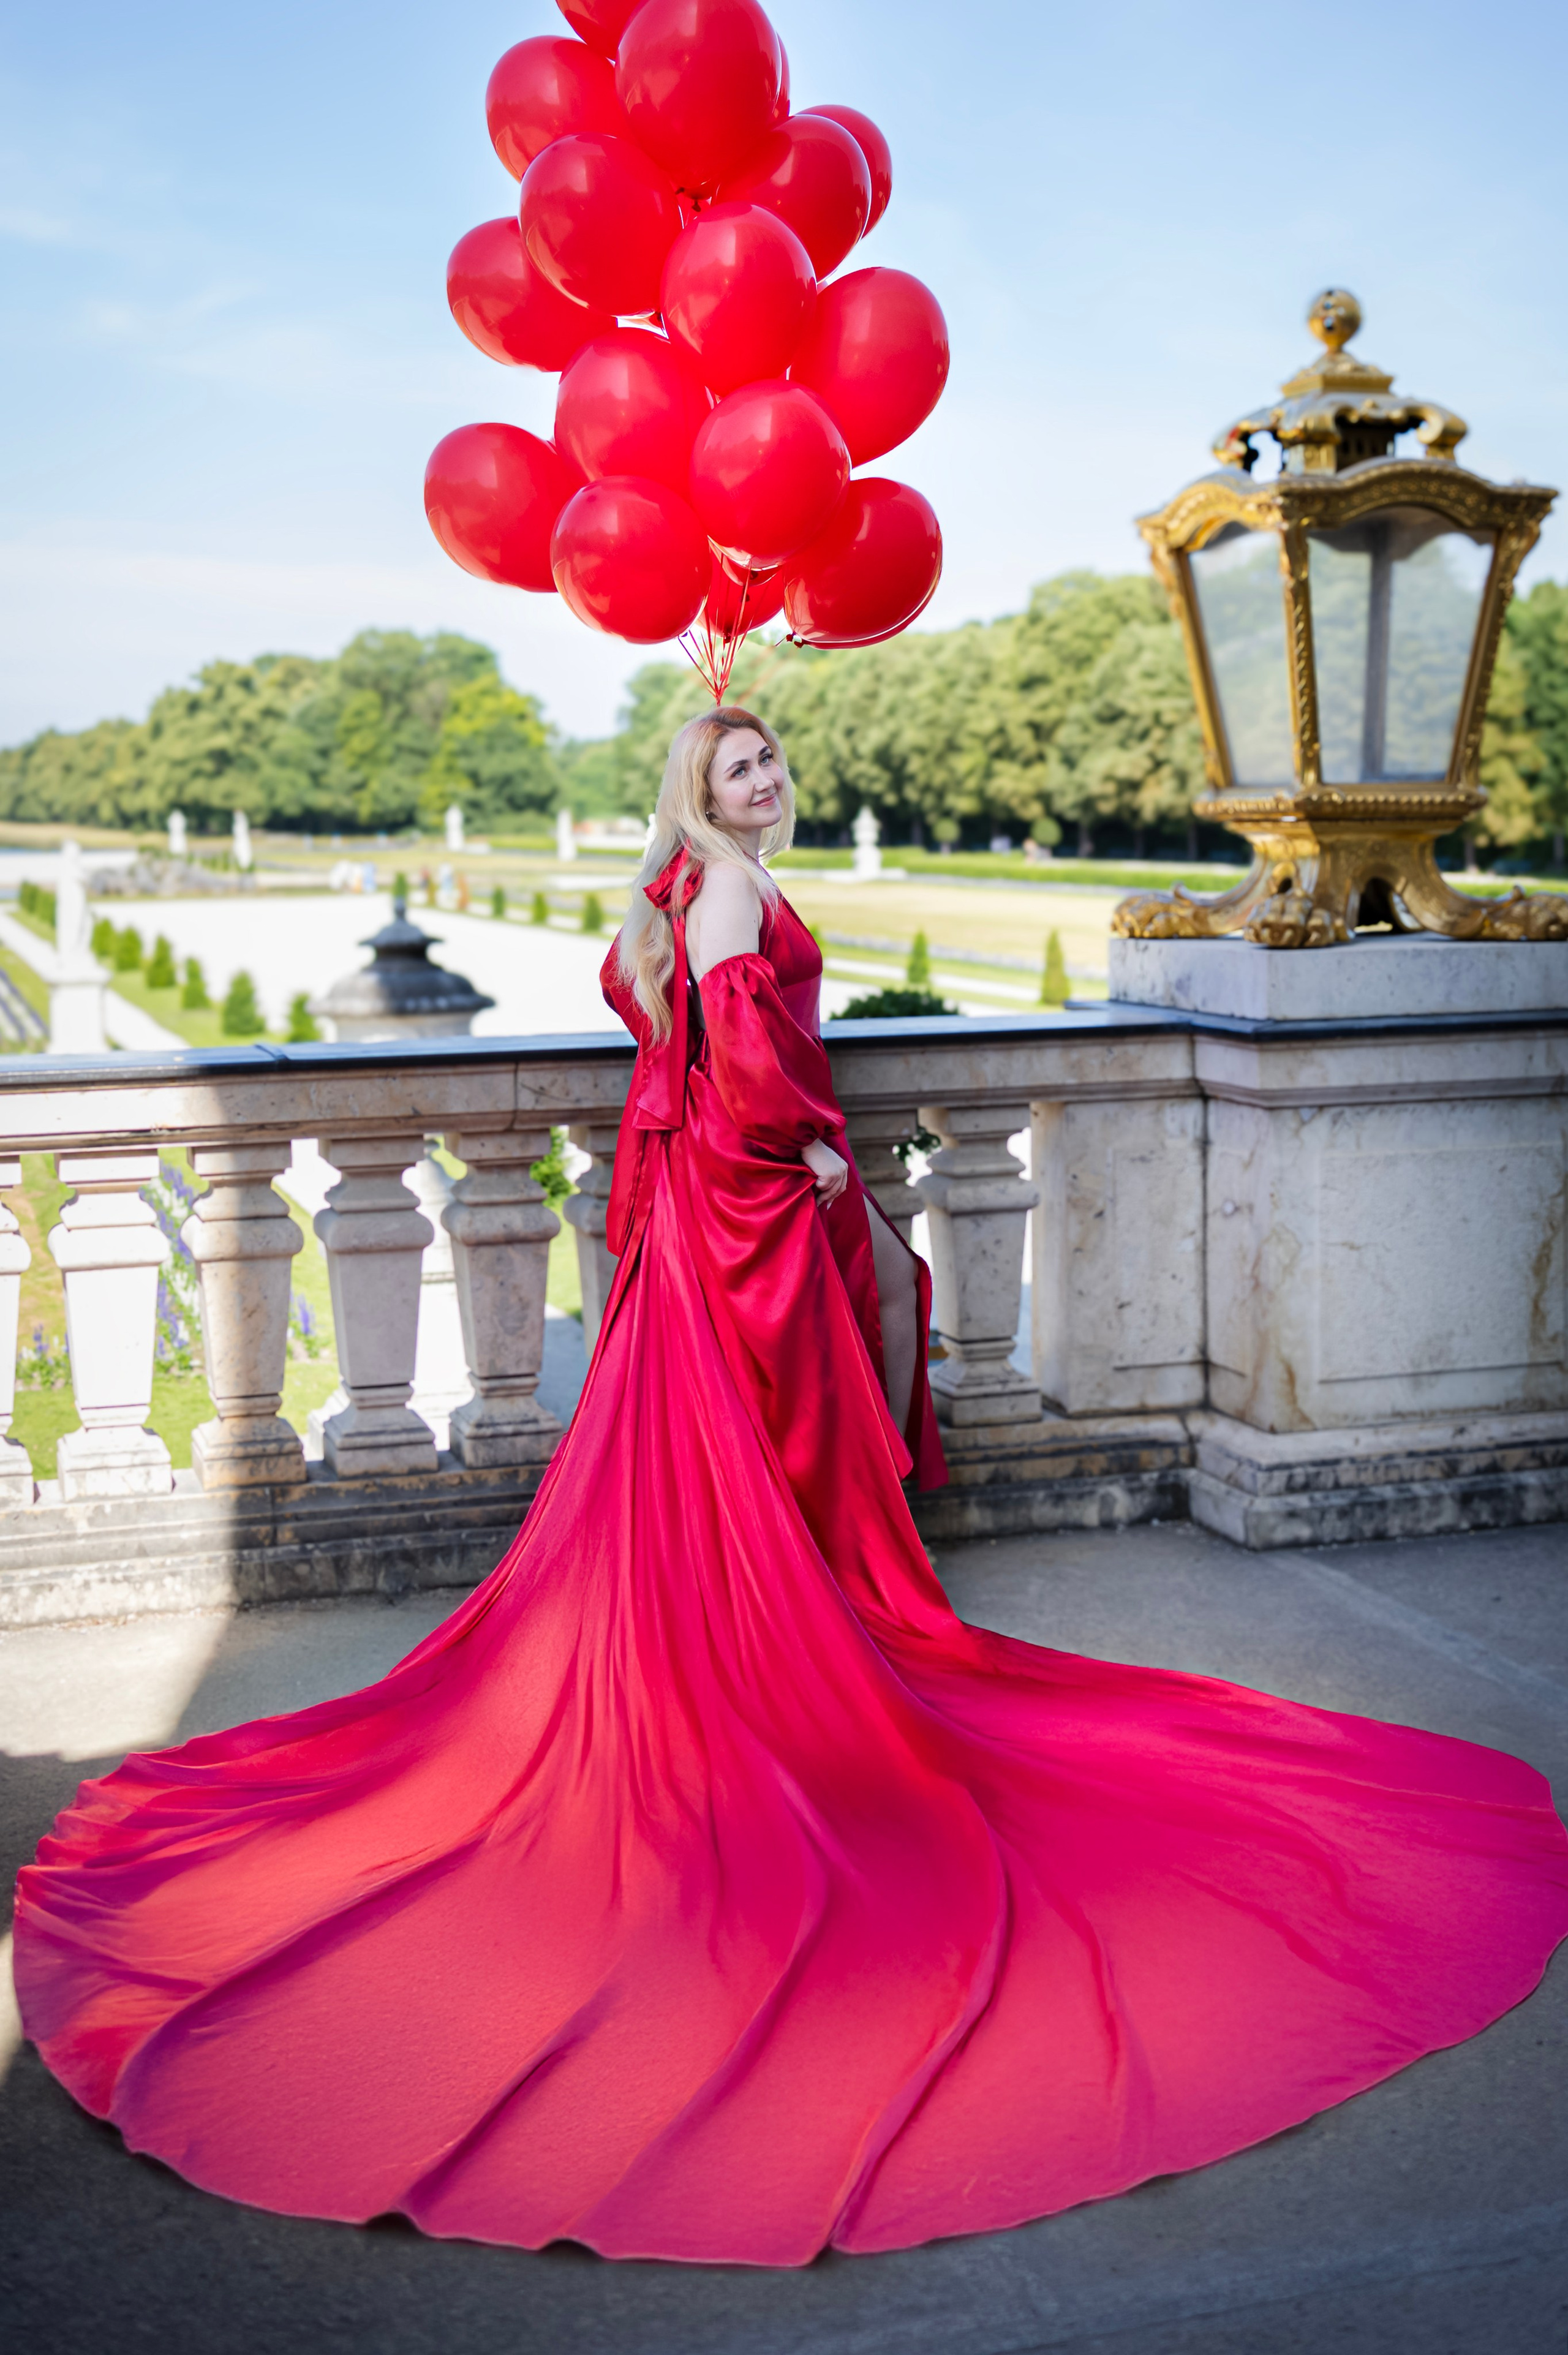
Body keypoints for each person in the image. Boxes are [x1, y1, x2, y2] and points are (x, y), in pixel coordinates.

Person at [13, 709, 1568, 2268]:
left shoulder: (677, 892)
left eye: (766, 765)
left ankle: (728, 1620)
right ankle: (768, 1641)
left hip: (685, 1206)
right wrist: (811, 1152)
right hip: (744, 1206)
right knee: (759, 1440)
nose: (764, 782)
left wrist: (739, 1121)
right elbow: (751, 1066)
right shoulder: (736, 893)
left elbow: (650, 1010)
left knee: (695, 1455)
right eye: (737, 769)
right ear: (698, 789)